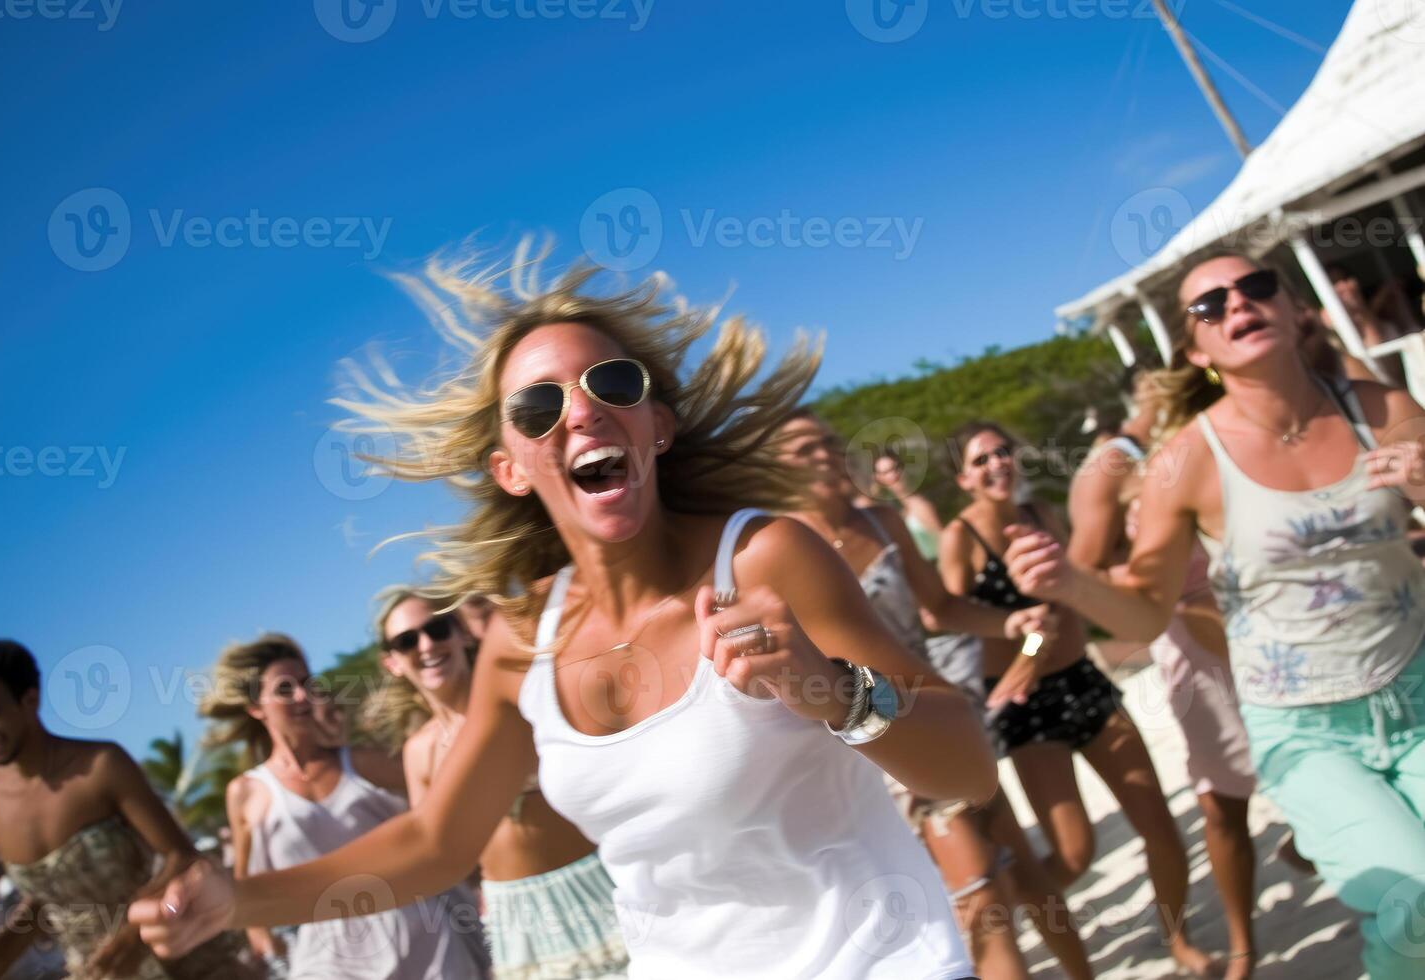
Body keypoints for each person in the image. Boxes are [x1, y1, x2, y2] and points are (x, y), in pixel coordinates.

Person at [132, 249, 996, 979]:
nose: (580, 409)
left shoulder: (765, 558)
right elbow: (435, 844)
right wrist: (236, 898)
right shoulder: (517, 645)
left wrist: (834, 692)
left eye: (610, 382)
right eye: (538, 407)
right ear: (511, 467)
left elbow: (966, 770)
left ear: (655, 425)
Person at [1002, 252, 1425, 980]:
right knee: (1414, 908)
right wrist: (1071, 581)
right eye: (1211, 305)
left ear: (1295, 310)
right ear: (1197, 350)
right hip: (1305, 729)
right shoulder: (1183, 462)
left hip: (1415, 687)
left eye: (1257, 287)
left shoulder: (1379, 409)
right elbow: (1142, 613)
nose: (1238, 304)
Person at [778, 411, 1094, 980]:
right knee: (981, 891)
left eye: (828, 440)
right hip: (869, 739)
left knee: (1023, 867)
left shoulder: (879, 523)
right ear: (775, 468)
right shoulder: (779, 549)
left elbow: (941, 609)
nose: (824, 453)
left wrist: (1009, 622)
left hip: (937, 710)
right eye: (804, 448)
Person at [939, 424, 1214, 975]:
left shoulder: (1042, 514)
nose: (997, 464)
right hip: (1026, 707)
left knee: (1160, 827)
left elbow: (1076, 585)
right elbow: (945, 618)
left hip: (1083, 682)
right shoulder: (961, 536)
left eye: (1002, 452)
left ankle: (1178, 940)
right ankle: (1002, 907)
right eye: (981, 459)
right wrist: (1014, 628)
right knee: (1073, 853)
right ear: (963, 477)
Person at [1066, 374, 1258, 979]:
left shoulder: (1214, 435)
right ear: (1136, 395)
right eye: (1157, 383)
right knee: (1223, 803)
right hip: (1194, 641)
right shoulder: (1113, 464)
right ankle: (1238, 949)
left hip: (1266, 623)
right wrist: (1155, 589)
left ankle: (1305, 850)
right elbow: (1081, 572)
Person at [0, 639, 254, 979]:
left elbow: (183, 858)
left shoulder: (101, 766)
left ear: (30, 700)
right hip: (98, 971)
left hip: (182, 953)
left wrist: (134, 934)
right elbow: (46, 901)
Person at [369, 587, 628, 978]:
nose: (426, 645)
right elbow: (440, 854)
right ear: (392, 662)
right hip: (515, 918)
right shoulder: (418, 752)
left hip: (598, 885)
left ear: (462, 634)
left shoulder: (523, 698)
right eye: (407, 641)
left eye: (438, 629)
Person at [201, 632, 489, 980]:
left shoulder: (364, 763)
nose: (303, 695)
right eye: (284, 688)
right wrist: (265, 944)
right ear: (255, 707)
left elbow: (445, 804)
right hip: (328, 959)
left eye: (307, 683)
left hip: (422, 936)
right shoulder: (246, 792)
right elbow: (246, 885)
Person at [871, 449, 944, 562]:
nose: (893, 475)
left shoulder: (920, 505)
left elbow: (944, 543)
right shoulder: (899, 511)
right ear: (879, 478)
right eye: (886, 472)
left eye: (895, 468)